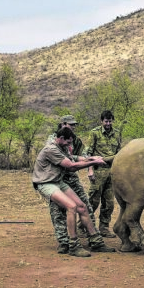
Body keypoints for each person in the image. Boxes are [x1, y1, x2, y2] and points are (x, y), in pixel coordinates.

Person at [31, 127, 109, 257]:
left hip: (57, 181)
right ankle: (74, 245)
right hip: (46, 183)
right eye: (68, 142)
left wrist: (90, 158)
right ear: (61, 138)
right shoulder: (51, 149)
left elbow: (73, 158)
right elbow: (71, 166)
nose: (69, 145)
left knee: (82, 207)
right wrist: (95, 162)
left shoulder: (62, 147)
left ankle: (96, 242)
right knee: (71, 207)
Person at [47, 115, 115, 254]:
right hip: (56, 178)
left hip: (71, 178)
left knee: (86, 207)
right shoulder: (52, 139)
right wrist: (92, 162)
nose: (73, 127)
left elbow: (81, 156)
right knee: (58, 211)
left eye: (74, 124)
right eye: (70, 124)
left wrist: (90, 164)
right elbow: (68, 162)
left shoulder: (75, 140)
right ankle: (64, 242)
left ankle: (94, 240)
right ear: (62, 124)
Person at [85, 110, 122, 238]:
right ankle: (83, 226)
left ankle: (104, 228)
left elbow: (119, 154)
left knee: (109, 203)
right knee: (92, 201)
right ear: (101, 121)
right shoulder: (94, 133)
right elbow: (88, 153)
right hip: (98, 171)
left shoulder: (117, 134)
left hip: (112, 173)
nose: (108, 123)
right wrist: (90, 170)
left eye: (110, 121)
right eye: (106, 121)